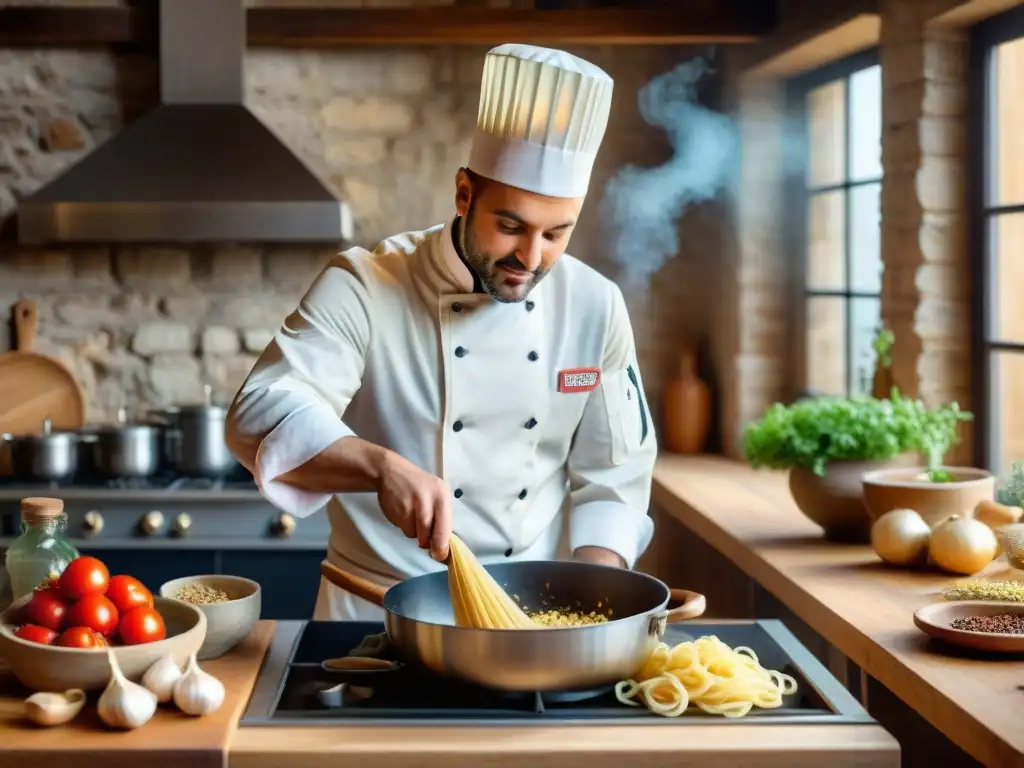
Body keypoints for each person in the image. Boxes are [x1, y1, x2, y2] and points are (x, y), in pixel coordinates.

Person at [224, 43, 658, 621]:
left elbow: (615, 477)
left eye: (557, 234)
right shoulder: (365, 285)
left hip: (527, 618)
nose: (530, 257)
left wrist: (597, 607)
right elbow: (257, 415)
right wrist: (380, 468)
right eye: (511, 226)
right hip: (375, 615)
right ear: (463, 194)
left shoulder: (595, 305)